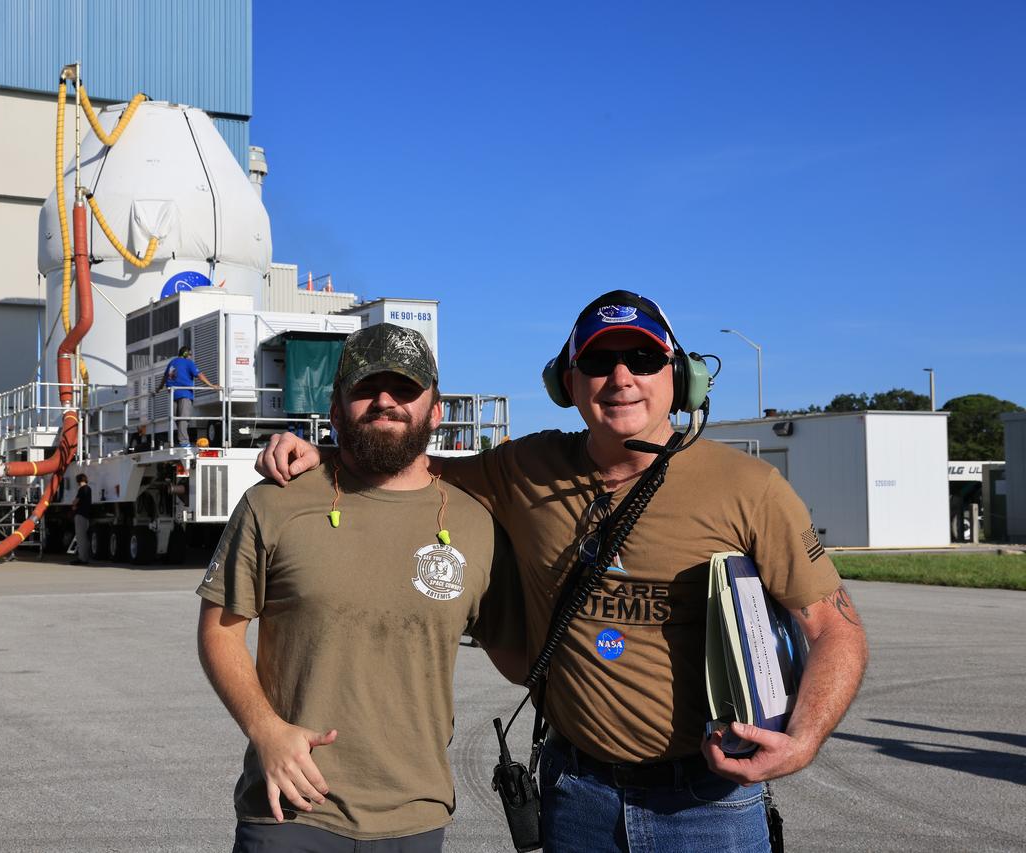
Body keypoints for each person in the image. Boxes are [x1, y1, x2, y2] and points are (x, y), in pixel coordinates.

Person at [257, 291, 869, 852]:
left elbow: (833, 629)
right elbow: (414, 466)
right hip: (578, 795)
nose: (622, 378)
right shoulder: (525, 468)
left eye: (642, 359)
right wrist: (326, 452)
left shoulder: (750, 488)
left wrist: (805, 738)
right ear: (568, 383)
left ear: (679, 379)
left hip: (709, 803)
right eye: (601, 363)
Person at [198, 323, 524, 852]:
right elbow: (220, 632)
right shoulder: (275, 502)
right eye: (366, 389)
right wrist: (266, 731)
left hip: (415, 816)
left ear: (436, 411)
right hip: (289, 812)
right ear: (334, 408)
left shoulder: (475, 524)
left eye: (404, 390)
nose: (385, 402)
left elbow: (520, 657)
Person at [163, 345, 219, 447]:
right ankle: (184, 442)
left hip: (173, 395)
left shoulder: (172, 363)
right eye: (190, 354)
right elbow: (199, 375)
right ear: (186, 354)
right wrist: (211, 385)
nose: (191, 357)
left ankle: (182, 441)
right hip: (185, 394)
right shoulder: (188, 363)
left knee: (177, 419)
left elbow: (165, 377)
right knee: (183, 419)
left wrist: (158, 389)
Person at [70, 473, 93, 565]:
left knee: (80, 537)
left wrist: (73, 505)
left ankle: (82, 558)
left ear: (78, 481)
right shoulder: (89, 489)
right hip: (86, 515)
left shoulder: (82, 489)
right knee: (85, 537)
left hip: (80, 515)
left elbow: (75, 501)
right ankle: (85, 557)